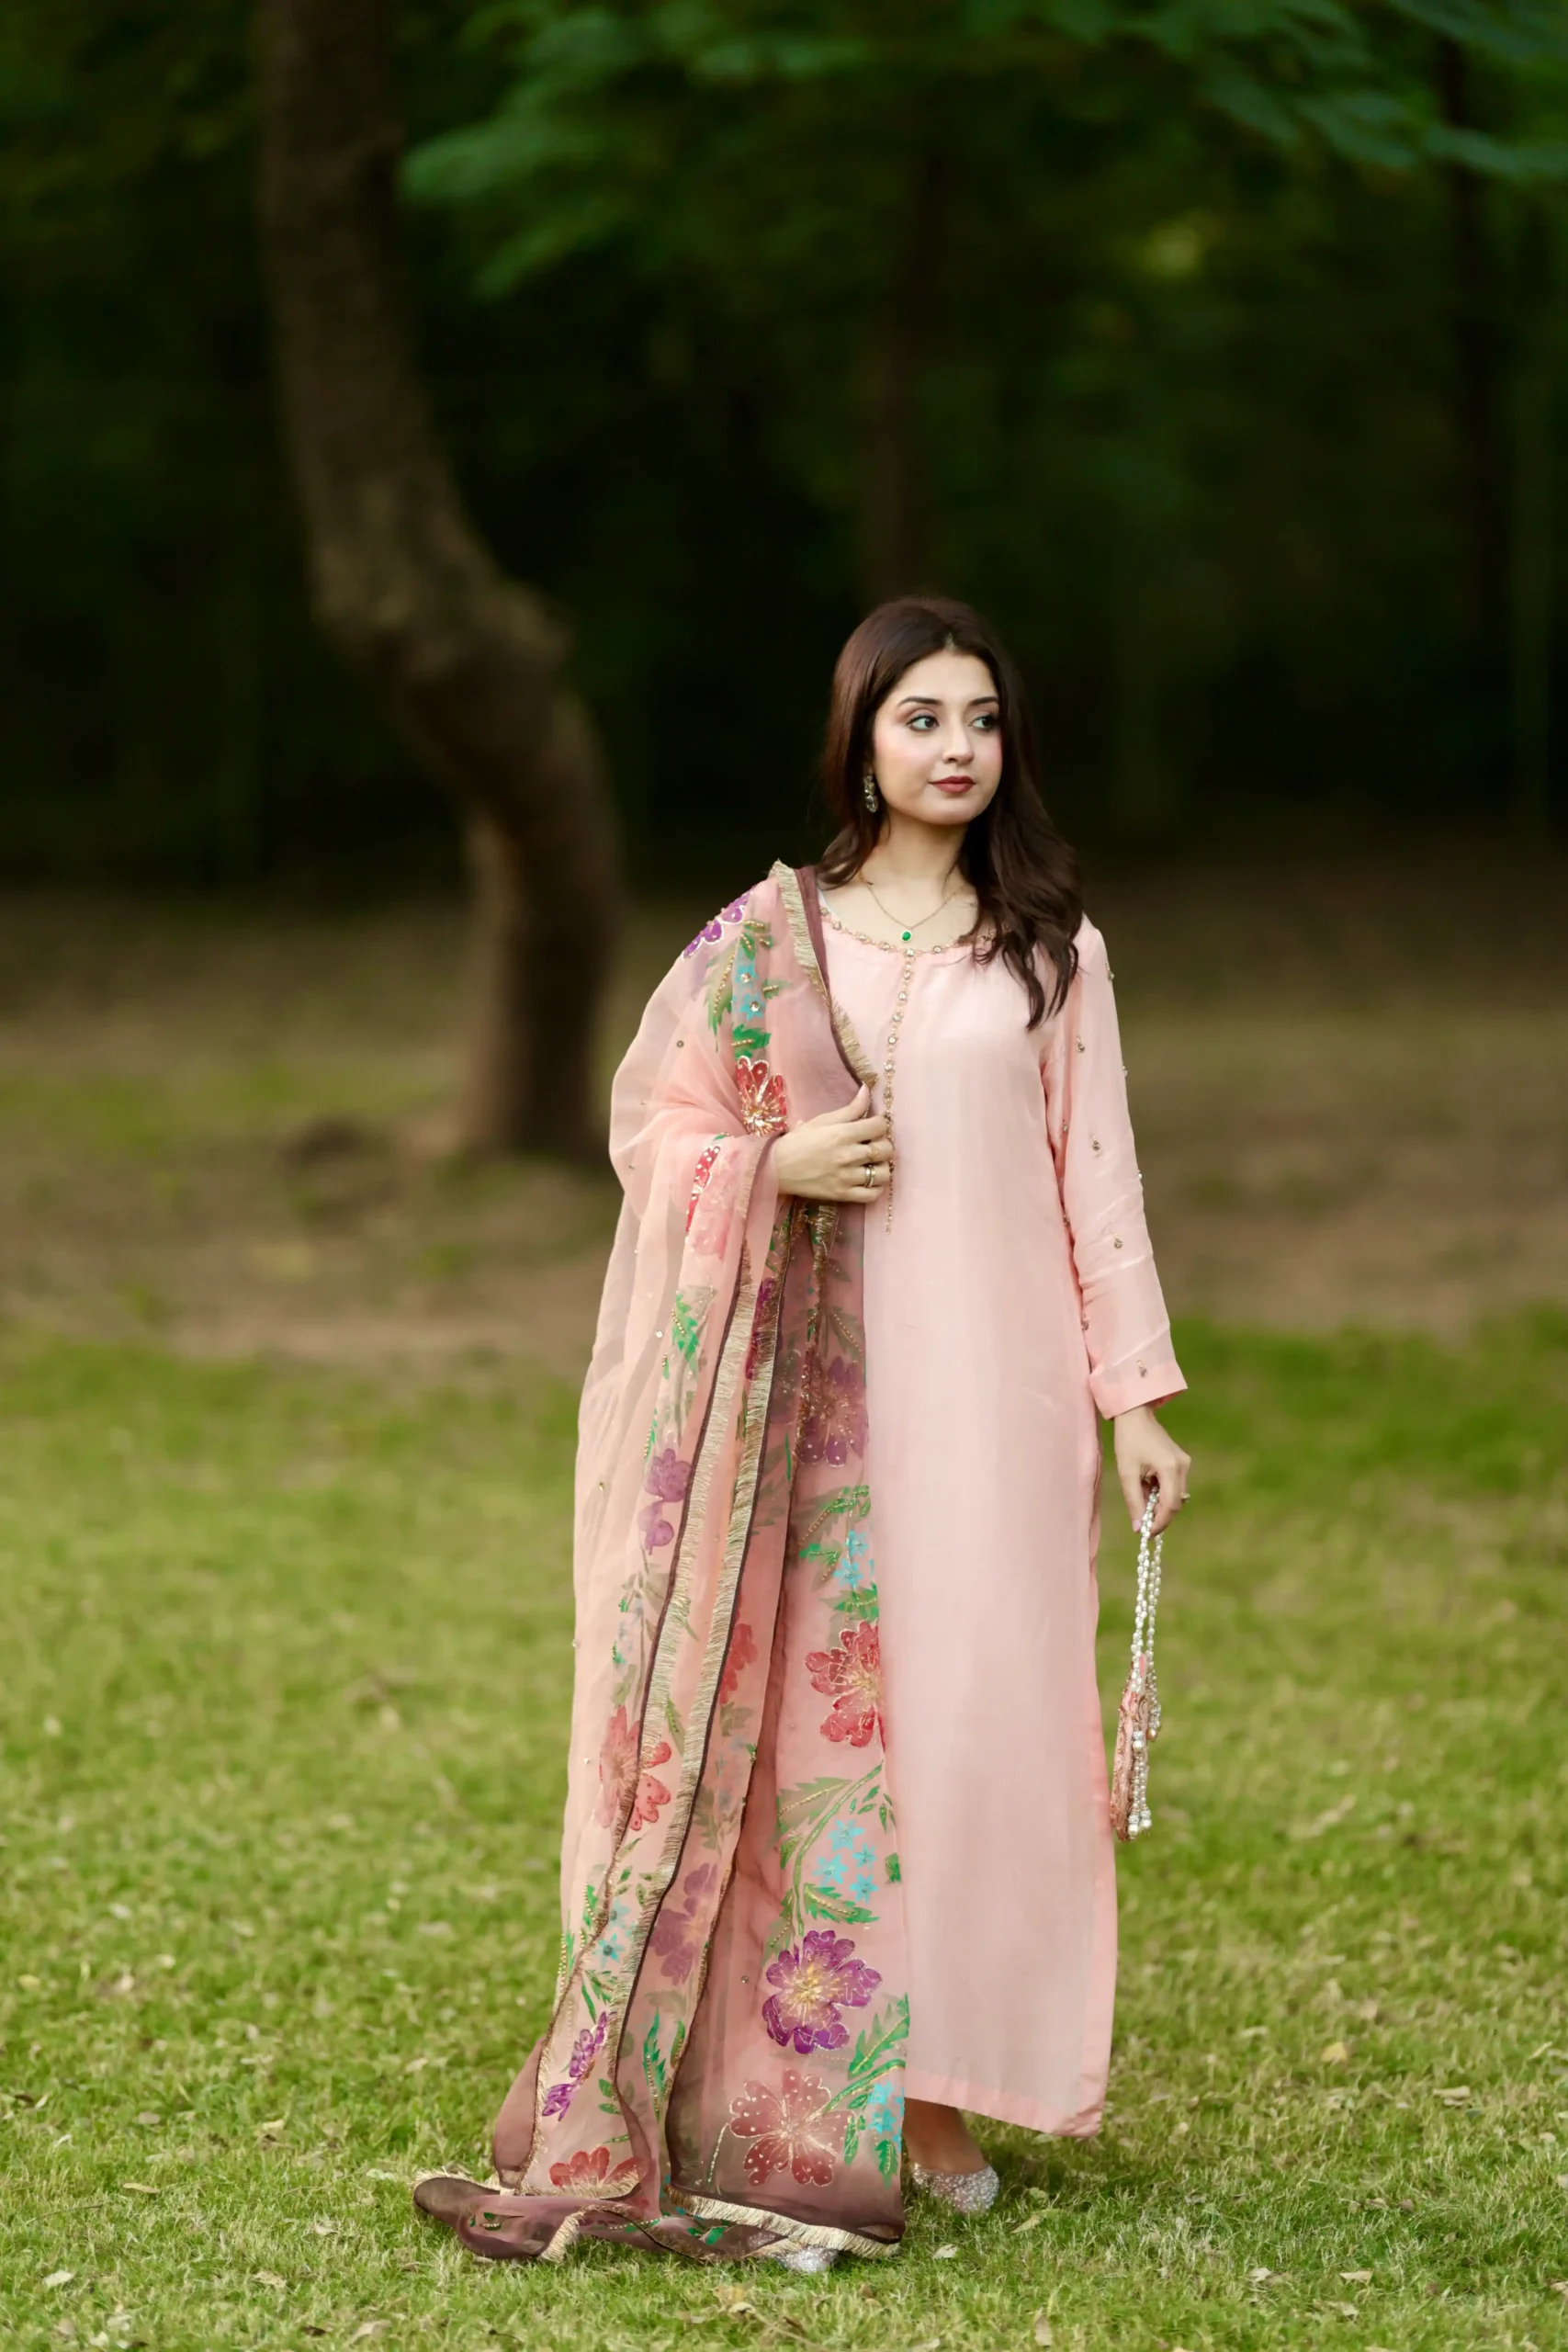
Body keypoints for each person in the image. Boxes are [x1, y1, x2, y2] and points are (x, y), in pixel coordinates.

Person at [415, 595, 1191, 2272]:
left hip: (1000, 1402)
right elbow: (654, 1128)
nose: (956, 749)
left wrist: (1135, 1399)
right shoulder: (770, 941)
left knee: (979, 1734)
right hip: (804, 1416)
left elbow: (1098, 1185)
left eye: (981, 719)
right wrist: (770, 1167)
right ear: (859, 738)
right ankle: (804, 2085)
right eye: (921, 718)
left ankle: (940, 2094)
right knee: (814, 1740)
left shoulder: (1050, 953)